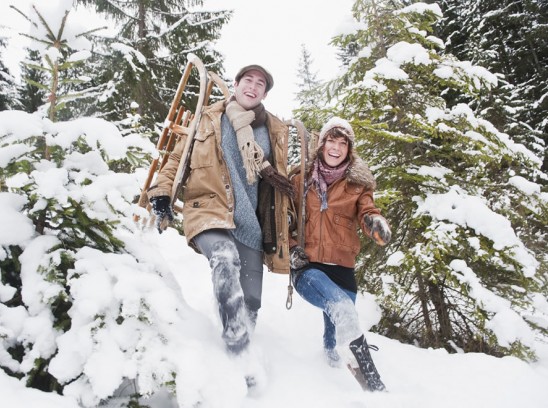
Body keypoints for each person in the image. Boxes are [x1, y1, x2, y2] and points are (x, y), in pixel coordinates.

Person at [147, 64, 293, 355]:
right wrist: (162, 193)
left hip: (250, 223)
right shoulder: (208, 118)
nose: (253, 86)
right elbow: (176, 160)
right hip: (208, 209)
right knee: (224, 258)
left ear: (265, 93)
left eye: (260, 84)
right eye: (248, 80)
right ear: (236, 84)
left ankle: (240, 357)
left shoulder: (273, 130)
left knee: (251, 301)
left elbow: (284, 181)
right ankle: (235, 341)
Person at [288, 117, 391, 392]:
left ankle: (329, 381)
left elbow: (368, 211)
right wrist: (290, 247)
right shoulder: (301, 178)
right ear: (322, 144)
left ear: (349, 149)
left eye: (342, 143)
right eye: (331, 141)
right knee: (343, 312)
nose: (335, 148)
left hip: (343, 269)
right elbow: (282, 216)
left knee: (334, 342)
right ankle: (374, 388)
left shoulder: (358, 185)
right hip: (308, 267)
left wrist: (374, 223)